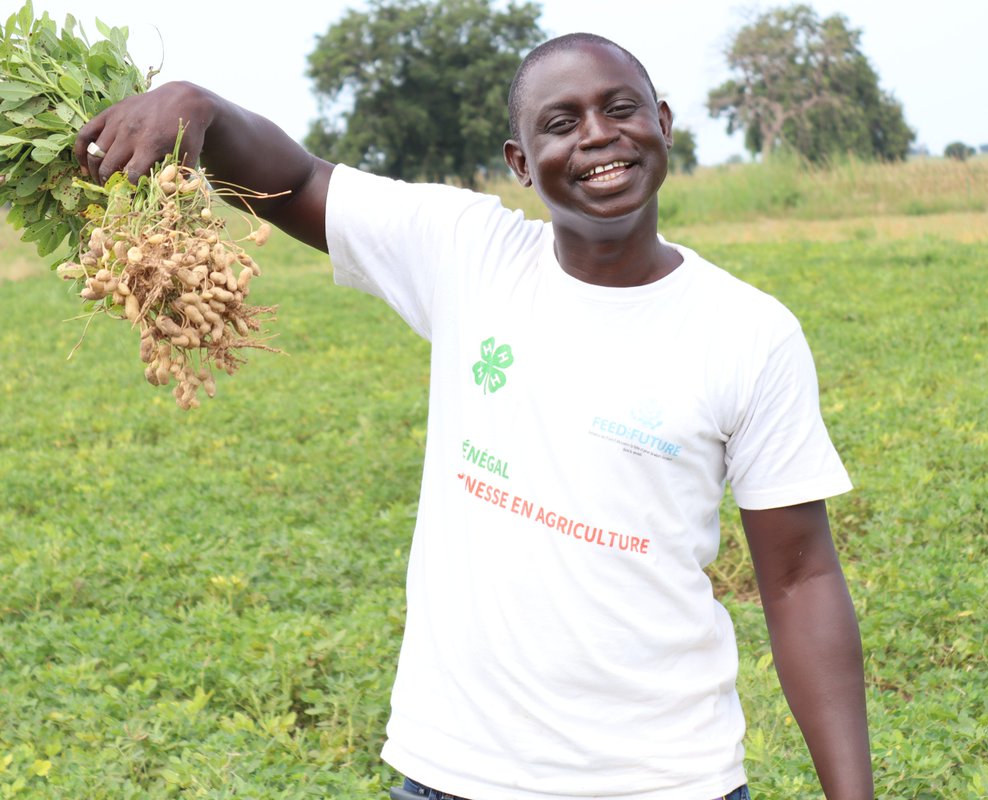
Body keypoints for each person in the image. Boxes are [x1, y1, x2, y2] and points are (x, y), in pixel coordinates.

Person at [76, 33, 873, 800]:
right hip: (452, 773)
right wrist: (196, 105)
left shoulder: (749, 332)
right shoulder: (469, 254)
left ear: (661, 124)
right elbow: (300, 180)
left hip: (664, 778)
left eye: (620, 109)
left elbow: (801, 578)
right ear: (521, 164)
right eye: (561, 124)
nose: (598, 137)